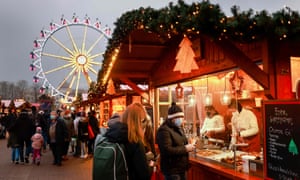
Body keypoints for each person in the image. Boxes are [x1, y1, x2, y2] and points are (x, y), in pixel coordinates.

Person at [104, 102, 151, 180]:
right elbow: (144, 174)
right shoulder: (135, 141)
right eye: (143, 121)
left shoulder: (110, 136)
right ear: (139, 122)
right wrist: (150, 165)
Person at [156, 102, 195, 180]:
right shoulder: (164, 130)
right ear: (172, 118)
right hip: (172, 171)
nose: (181, 120)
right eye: (179, 117)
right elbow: (167, 150)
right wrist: (186, 148)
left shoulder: (178, 128)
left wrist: (189, 144)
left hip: (181, 168)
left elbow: (181, 143)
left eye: (182, 117)